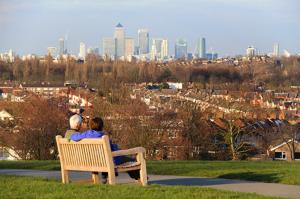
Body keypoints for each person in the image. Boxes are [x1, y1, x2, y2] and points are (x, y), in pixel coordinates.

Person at [70, 117, 140, 182]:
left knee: (115, 158)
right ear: (102, 127)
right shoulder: (103, 137)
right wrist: (117, 147)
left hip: (94, 161)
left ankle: (105, 176)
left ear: (91, 126)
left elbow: (73, 136)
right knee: (131, 160)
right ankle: (139, 177)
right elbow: (113, 150)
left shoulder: (86, 134)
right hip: (107, 161)